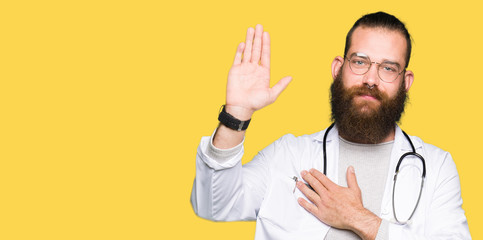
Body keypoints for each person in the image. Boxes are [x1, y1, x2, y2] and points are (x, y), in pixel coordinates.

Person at [190, 12, 471, 239]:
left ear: (405, 82)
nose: (371, 79)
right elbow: (212, 205)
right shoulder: (287, 156)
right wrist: (235, 116)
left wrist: (359, 219)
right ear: (338, 68)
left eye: (388, 68)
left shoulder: (436, 167)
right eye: (360, 62)